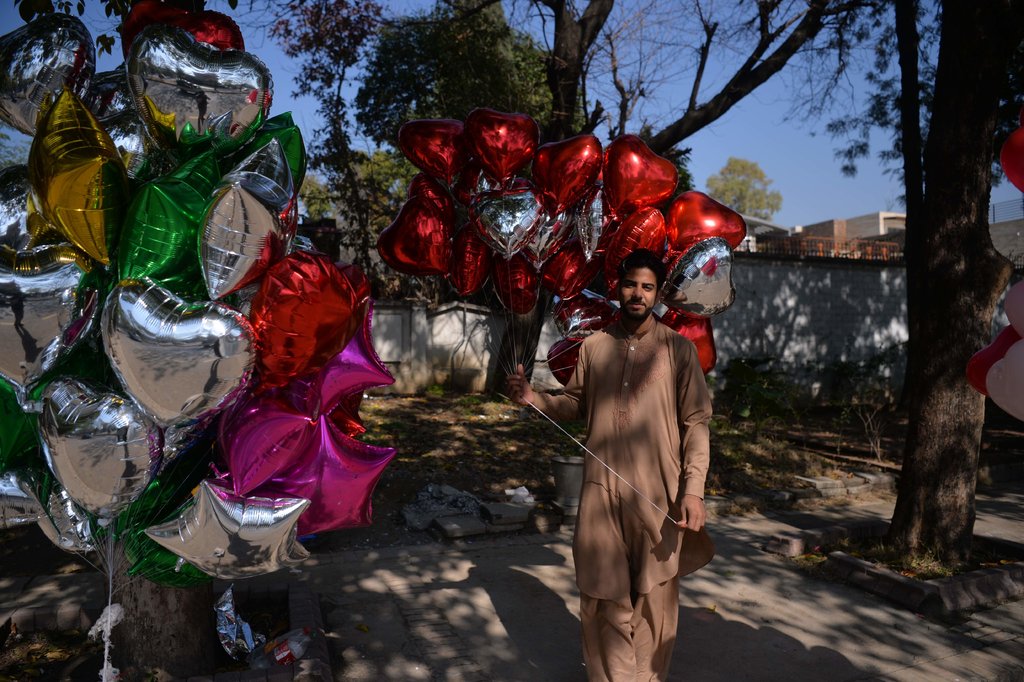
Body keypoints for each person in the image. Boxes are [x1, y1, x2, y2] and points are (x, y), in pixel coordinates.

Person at [506, 248, 714, 681]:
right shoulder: (594, 347)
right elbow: (575, 403)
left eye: (647, 287)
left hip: (659, 492)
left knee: (654, 598)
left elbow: (696, 423)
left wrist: (692, 489)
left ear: (657, 294)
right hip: (600, 492)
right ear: (617, 288)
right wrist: (533, 397)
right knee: (603, 594)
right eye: (630, 284)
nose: (637, 294)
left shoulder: (678, 351)